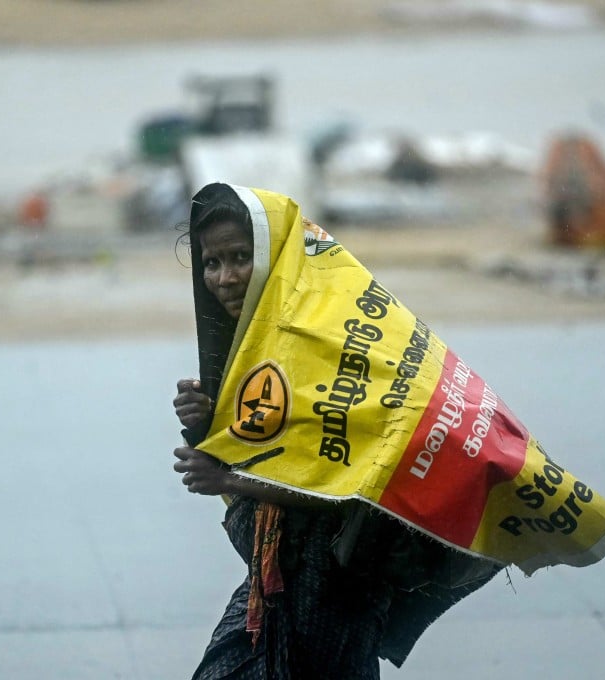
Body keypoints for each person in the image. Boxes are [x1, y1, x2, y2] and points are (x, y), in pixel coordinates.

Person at [172, 183, 500, 679]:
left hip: (334, 597)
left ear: (275, 257)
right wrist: (205, 425)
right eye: (212, 263)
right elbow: (271, 452)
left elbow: (353, 485)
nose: (225, 277)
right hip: (273, 589)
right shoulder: (250, 351)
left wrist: (230, 481)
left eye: (240, 256)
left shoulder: (334, 340)